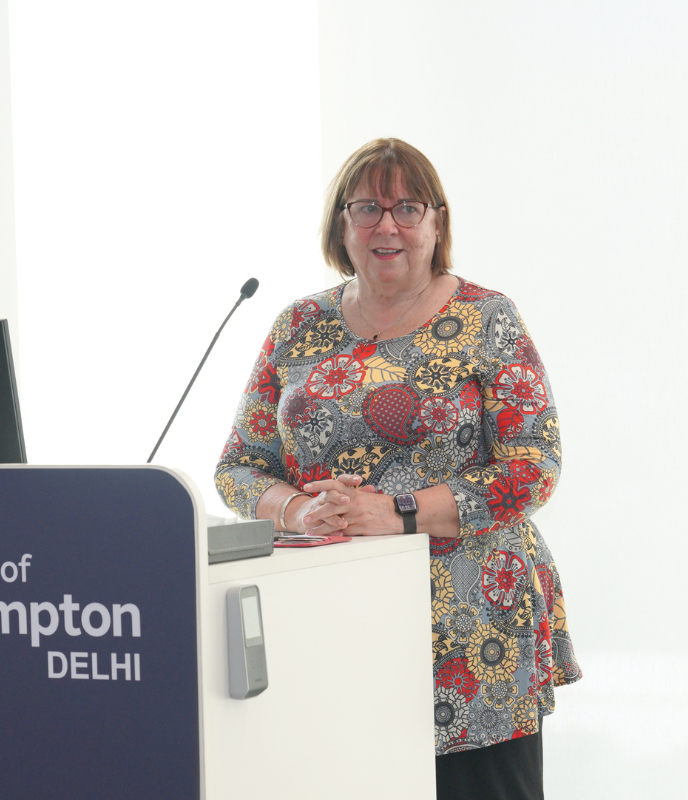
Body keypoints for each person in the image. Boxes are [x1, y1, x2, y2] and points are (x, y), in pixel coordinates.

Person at [214, 138, 581, 799]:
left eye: (406, 207)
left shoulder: (486, 318)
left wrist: (399, 511)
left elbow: (533, 465)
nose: (387, 225)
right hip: (334, 622)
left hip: (473, 626)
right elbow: (239, 467)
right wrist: (301, 509)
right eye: (367, 208)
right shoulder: (297, 325)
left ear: (436, 224)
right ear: (340, 226)